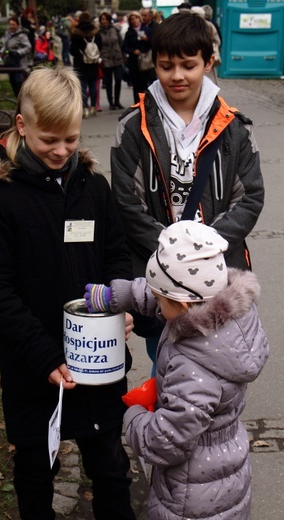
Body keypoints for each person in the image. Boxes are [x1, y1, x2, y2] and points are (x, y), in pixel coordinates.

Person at [0, 66, 136, 520]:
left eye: (72, 139)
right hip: (33, 364)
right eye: (49, 140)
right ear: (22, 126)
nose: (62, 151)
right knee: (37, 470)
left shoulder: (94, 189)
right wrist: (42, 355)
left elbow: (117, 254)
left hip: (97, 360)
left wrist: (119, 304)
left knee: (111, 468)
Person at [84, 219, 270, 520]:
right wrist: (115, 296)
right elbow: (164, 291)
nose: (156, 303)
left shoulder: (192, 365)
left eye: (160, 300)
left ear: (183, 305)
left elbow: (166, 441)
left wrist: (134, 418)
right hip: (225, 467)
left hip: (192, 494)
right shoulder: (223, 311)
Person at [111, 12, 264, 374]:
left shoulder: (235, 129)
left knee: (223, 365)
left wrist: (203, 250)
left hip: (219, 274)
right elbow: (126, 201)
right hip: (161, 280)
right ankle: (167, 428)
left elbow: (250, 198)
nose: (177, 76)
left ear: (208, 62)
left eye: (188, 65)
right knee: (164, 364)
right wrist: (171, 252)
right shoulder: (133, 127)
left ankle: (215, 430)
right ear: (155, 64)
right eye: (166, 66)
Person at [70, 11, 102, 119]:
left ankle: (85, 109)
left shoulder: (76, 33)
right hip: (93, 62)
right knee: (93, 86)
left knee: (82, 86)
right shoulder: (96, 32)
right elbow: (100, 46)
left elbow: (72, 50)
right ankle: (93, 107)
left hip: (80, 63)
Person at [122, 11, 153, 103]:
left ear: (140, 19)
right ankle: (138, 103)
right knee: (136, 85)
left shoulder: (147, 30)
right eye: (132, 19)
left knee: (144, 84)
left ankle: (145, 102)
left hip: (145, 60)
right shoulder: (129, 32)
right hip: (134, 61)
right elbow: (124, 47)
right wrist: (133, 51)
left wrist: (147, 39)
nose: (135, 21)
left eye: (136, 18)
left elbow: (154, 43)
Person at [0, 16, 32, 97]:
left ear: (17, 25)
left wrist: (18, 52)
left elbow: (28, 47)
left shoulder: (22, 35)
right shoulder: (8, 33)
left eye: (13, 25)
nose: (12, 26)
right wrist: (1, 51)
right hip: (11, 61)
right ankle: (16, 97)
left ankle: (22, 97)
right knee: (12, 80)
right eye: (10, 24)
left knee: (19, 81)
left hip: (19, 62)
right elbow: (6, 45)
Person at [99, 11, 124, 110]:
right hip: (106, 59)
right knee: (108, 82)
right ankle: (111, 102)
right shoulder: (99, 32)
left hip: (117, 57)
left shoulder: (115, 29)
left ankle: (117, 101)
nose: (103, 21)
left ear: (109, 20)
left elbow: (120, 42)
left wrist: (122, 55)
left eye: (105, 19)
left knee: (118, 79)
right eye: (102, 20)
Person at [140, 7, 159, 85]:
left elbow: (158, 41)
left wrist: (148, 39)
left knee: (152, 79)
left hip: (152, 57)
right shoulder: (140, 26)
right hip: (142, 56)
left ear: (150, 16)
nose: (143, 17)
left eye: (145, 15)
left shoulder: (156, 26)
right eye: (142, 15)